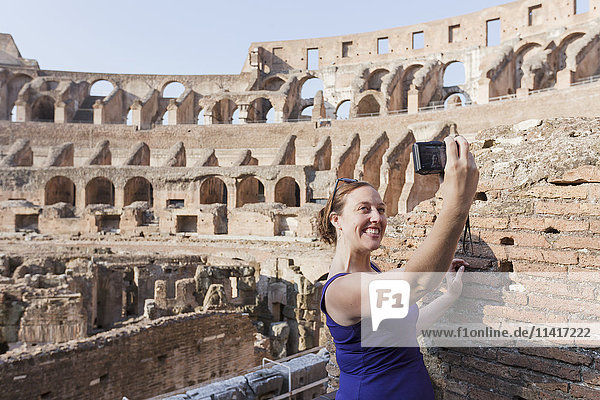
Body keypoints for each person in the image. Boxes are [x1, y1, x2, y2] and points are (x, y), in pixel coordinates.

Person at [317, 135, 479, 399]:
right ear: (337, 220)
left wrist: (450, 296)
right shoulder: (339, 290)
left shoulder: (375, 273)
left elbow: (406, 330)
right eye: (364, 209)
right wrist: (458, 203)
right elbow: (416, 283)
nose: (376, 217)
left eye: (381, 209)